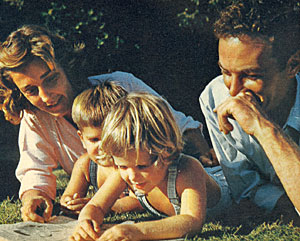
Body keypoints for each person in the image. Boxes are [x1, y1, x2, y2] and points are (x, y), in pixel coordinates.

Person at [0, 24, 212, 223]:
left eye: (51, 79)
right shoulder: (36, 118)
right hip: (117, 190)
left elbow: (179, 126)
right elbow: (34, 168)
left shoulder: (119, 86)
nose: (46, 97)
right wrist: (34, 196)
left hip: (165, 185)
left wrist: (204, 153)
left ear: (66, 67)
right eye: (31, 90)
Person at [69, 93, 232, 241]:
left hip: (228, 183)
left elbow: (191, 221)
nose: (132, 176)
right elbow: (96, 206)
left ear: (166, 153)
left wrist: (137, 231)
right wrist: (86, 222)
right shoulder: (126, 171)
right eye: (122, 166)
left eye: (142, 166)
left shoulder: (187, 169)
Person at [199, 0, 300, 215]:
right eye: (225, 72)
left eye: (251, 75)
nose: (233, 91)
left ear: (293, 65)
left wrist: (264, 128)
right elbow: (246, 187)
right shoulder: (213, 96)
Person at [60, 82, 142, 214]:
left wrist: (99, 205)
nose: (103, 146)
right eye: (94, 140)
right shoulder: (85, 165)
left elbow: (138, 202)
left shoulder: (131, 166)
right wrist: (70, 202)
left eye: (108, 138)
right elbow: (69, 195)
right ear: (82, 138)